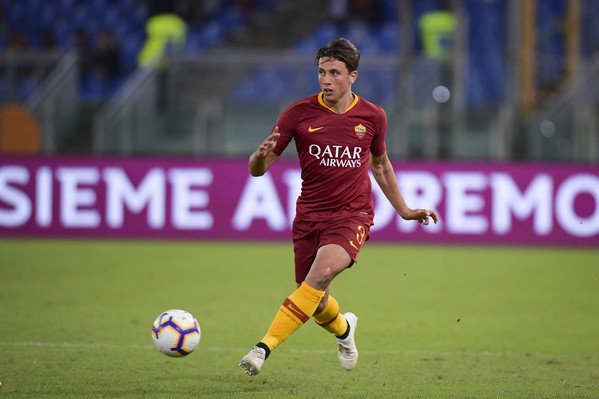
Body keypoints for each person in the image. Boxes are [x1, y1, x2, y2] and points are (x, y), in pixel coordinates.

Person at [239, 37, 439, 376]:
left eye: (334, 73)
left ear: (353, 76)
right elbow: (259, 170)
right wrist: (257, 157)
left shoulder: (373, 116)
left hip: (352, 214)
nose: (326, 80)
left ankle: (262, 349)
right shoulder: (298, 114)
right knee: (315, 301)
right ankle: (345, 330)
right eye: (321, 72)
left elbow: (380, 166)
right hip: (309, 216)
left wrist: (405, 210)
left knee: (318, 277)